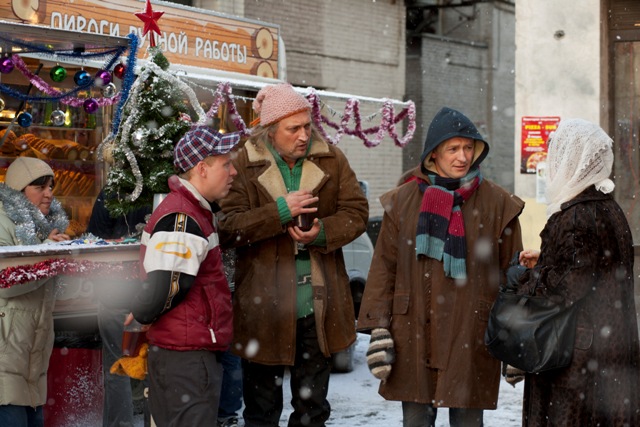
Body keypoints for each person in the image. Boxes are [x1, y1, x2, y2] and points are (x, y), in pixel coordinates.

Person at [356, 107, 524, 427]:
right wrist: (379, 326)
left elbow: (511, 275)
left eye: (468, 147)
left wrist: (514, 335)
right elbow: (385, 268)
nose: (463, 156)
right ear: (433, 153)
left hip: (470, 332)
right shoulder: (402, 201)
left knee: (468, 423)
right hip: (413, 330)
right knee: (416, 422)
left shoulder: (498, 203)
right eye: (453, 148)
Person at [218, 83, 369, 427]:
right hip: (264, 306)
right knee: (261, 411)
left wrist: (322, 232)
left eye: (307, 126)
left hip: (316, 305)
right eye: (293, 128)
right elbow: (227, 226)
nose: (303, 135)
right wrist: (280, 212)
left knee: (312, 411)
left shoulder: (332, 158)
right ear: (270, 131)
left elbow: (357, 213)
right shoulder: (243, 163)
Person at [514, 118, 640, 426]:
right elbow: (594, 266)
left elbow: (568, 286)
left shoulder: (577, 215)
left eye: (557, 156)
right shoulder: (609, 209)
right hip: (610, 347)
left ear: (572, 160)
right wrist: (548, 258)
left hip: (576, 357)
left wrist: (526, 279)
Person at [129, 126, 240, 426]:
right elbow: (166, 284)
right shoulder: (183, 215)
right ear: (202, 169)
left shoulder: (193, 210)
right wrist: (143, 311)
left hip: (184, 351)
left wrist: (144, 310)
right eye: (226, 165)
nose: (233, 172)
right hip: (186, 358)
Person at [0, 157, 70, 427]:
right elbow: (6, 282)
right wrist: (49, 256)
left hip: (31, 358)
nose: (48, 193)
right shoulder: (3, 222)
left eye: (51, 186)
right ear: (19, 191)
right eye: (40, 187)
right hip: (6, 355)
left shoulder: (46, 227)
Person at [86, 189, 151, 427]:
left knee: (117, 368)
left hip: (115, 292)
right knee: (153, 366)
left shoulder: (112, 192)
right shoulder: (162, 188)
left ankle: (120, 423)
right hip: (151, 291)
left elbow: (94, 241)